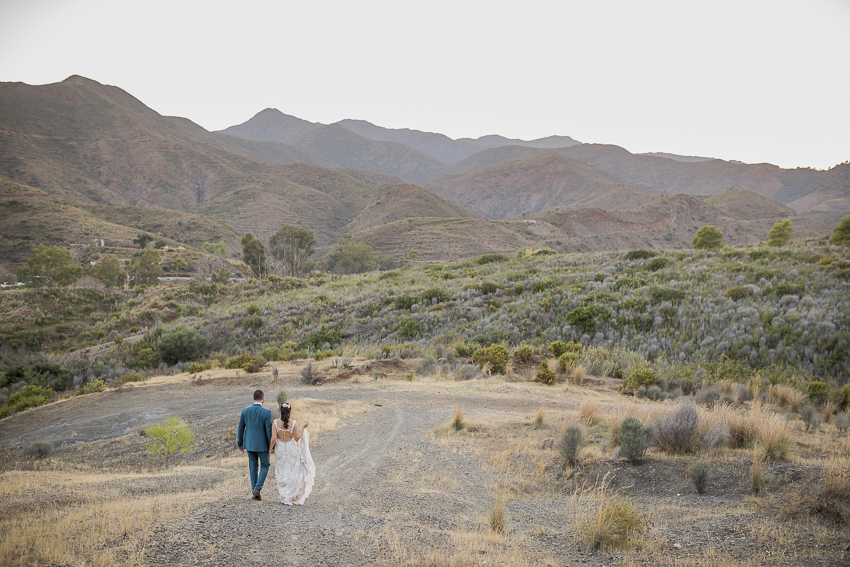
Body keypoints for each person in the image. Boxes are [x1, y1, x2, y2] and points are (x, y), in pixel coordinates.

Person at [270, 401, 315, 505]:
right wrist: (303, 427)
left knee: (281, 470)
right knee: (292, 470)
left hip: (280, 448)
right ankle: (291, 495)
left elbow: (273, 438)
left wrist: (270, 449)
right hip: (291, 448)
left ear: (281, 412)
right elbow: (296, 438)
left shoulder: (275, 422)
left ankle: (284, 496)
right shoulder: (293, 423)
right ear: (289, 412)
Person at [237, 389, 272, 501]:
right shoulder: (267, 412)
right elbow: (268, 430)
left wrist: (240, 443)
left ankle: (254, 491)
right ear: (263, 398)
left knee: (253, 467)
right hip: (262, 445)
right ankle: (257, 489)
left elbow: (240, 428)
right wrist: (271, 445)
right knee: (265, 466)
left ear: (253, 398)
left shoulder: (245, 411)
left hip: (249, 444)